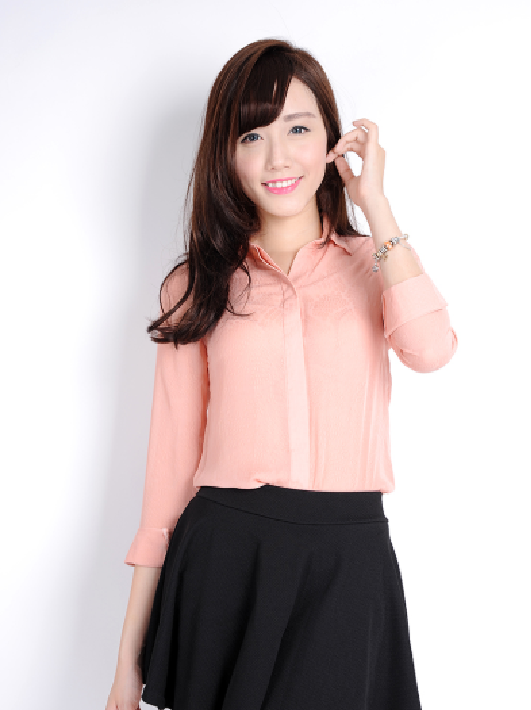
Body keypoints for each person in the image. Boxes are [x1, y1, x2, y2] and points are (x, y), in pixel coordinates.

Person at [106, 38, 457, 710]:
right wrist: (128, 659)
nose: (276, 158)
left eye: (297, 129)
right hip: (226, 559)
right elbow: (167, 476)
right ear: (226, 155)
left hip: (346, 564)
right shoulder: (194, 286)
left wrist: (375, 203)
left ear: (330, 139)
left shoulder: (376, 264)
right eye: (252, 136)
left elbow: (431, 349)